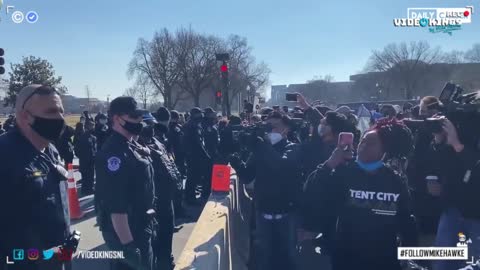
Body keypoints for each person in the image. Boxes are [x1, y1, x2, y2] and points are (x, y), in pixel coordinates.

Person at [303, 119, 417, 270]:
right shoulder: (343, 172)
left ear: (384, 150)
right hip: (346, 258)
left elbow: (406, 222)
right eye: (362, 141)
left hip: (384, 260)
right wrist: (330, 163)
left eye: (370, 144)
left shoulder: (394, 180)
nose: (362, 146)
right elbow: (310, 191)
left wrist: (408, 257)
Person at [0, 85, 72, 270]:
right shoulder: (4, 154)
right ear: (25, 116)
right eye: (51, 111)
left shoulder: (51, 150)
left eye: (61, 111)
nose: (59, 118)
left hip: (57, 257)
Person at [230, 111, 302, 270]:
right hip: (263, 212)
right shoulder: (261, 148)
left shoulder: (293, 148)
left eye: (274, 127)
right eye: (267, 127)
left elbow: (280, 167)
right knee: (264, 256)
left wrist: (263, 145)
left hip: (286, 213)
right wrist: (235, 160)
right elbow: (248, 176)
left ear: (287, 129)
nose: (270, 131)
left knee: (288, 256)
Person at [95, 96, 155, 270]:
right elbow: (117, 208)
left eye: (139, 117)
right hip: (128, 234)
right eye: (133, 117)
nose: (139, 121)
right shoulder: (114, 154)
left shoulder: (130, 145)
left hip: (141, 225)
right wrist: (128, 246)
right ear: (117, 119)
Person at [139, 112, 179, 270]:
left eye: (152, 125)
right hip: (151, 202)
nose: (150, 129)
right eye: (146, 125)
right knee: (155, 238)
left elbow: (170, 162)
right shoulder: (136, 147)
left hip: (166, 197)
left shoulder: (159, 142)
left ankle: (166, 259)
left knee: (167, 231)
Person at [183, 107, 211, 205]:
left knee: (193, 177)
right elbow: (197, 143)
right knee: (192, 177)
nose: (201, 116)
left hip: (193, 155)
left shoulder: (194, 125)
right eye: (199, 114)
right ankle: (190, 198)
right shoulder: (192, 126)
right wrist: (206, 155)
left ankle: (190, 196)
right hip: (194, 156)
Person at [201, 107, 219, 199]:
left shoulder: (211, 123)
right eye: (211, 114)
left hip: (212, 151)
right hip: (209, 152)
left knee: (211, 173)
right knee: (208, 174)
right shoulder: (205, 124)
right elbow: (208, 139)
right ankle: (205, 193)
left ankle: (208, 191)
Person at [77, 120, 97, 195]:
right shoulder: (83, 137)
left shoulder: (93, 137)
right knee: (87, 176)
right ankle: (88, 189)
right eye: (92, 126)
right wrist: (84, 157)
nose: (93, 128)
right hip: (86, 160)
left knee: (89, 175)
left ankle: (87, 189)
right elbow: (77, 149)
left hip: (89, 160)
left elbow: (94, 149)